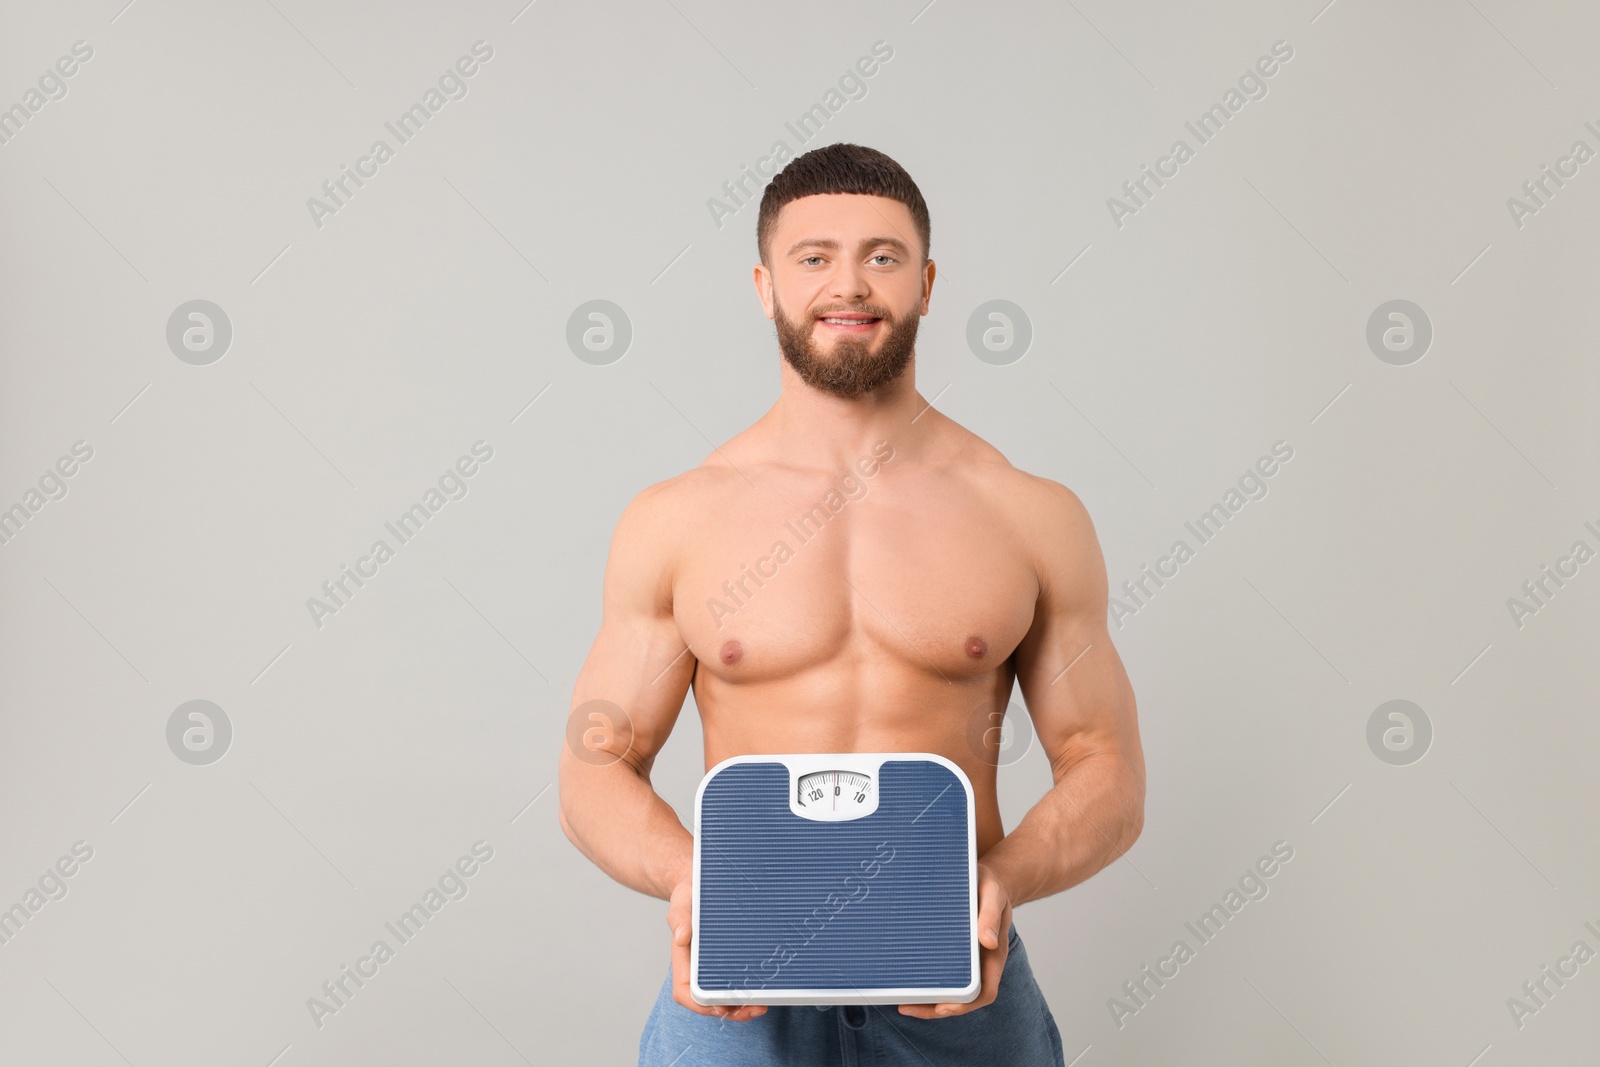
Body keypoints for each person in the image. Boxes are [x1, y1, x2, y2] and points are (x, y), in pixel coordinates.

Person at [558, 142, 1145, 1066]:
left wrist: (1000, 880)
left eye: (882, 255)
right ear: (764, 285)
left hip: (957, 988)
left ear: (926, 281)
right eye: (814, 257)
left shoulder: (1028, 513)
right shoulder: (678, 518)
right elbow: (597, 758)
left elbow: (1105, 764)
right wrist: (692, 882)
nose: (851, 284)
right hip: (739, 995)